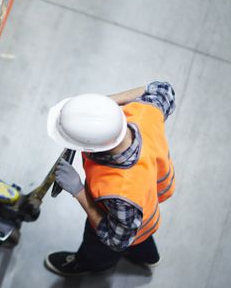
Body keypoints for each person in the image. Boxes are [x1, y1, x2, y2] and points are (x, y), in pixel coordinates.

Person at [43, 82, 176, 276]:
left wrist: (78, 191)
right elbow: (163, 89)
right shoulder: (143, 114)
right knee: (141, 237)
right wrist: (103, 109)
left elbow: (116, 240)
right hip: (146, 210)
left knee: (99, 248)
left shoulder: (121, 192)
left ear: (92, 148)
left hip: (120, 218)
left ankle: (86, 264)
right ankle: (148, 256)